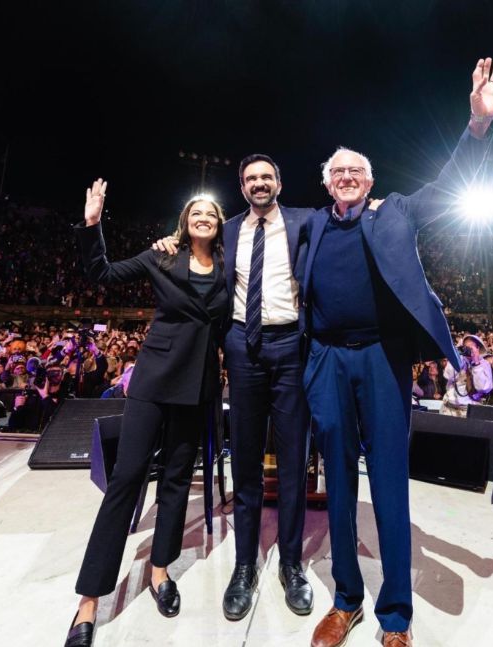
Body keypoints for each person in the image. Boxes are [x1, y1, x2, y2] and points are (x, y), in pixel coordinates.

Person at [304, 58, 493, 647]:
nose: (346, 176)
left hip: (381, 360)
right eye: (337, 170)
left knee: (390, 483)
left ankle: (396, 617)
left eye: (356, 170)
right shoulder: (308, 224)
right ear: (325, 182)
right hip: (326, 361)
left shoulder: (396, 211)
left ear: (370, 181)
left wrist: (476, 126)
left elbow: (445, 187)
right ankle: (346, 602)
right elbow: (251, 224)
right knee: (337, 481)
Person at [66, 180, 230, 647]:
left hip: (198, 386)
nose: (203, 217)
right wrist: (93, 224)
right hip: (155, 382)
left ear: (218, 226)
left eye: (211, 214)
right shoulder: (160, 256)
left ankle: (160, 571)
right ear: (184, 221)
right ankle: (89, 600)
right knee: (127, 481)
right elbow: (101, 273)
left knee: (178, 479)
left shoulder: (226, 263)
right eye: (196, 211)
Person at [155, 152, 318, 619]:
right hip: (243, 349)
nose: (259, 184)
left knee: (292, 462)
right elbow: (194, 251)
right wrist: (172, 241)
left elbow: (347, 217)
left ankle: (290, 564)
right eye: (251, 179)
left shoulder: (306, 222)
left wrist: (373, 205)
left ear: (280, 184)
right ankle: (244, 564)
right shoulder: (226, 232)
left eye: (267, 176)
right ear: (242, 188)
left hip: (291, 347)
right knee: (244, 461)